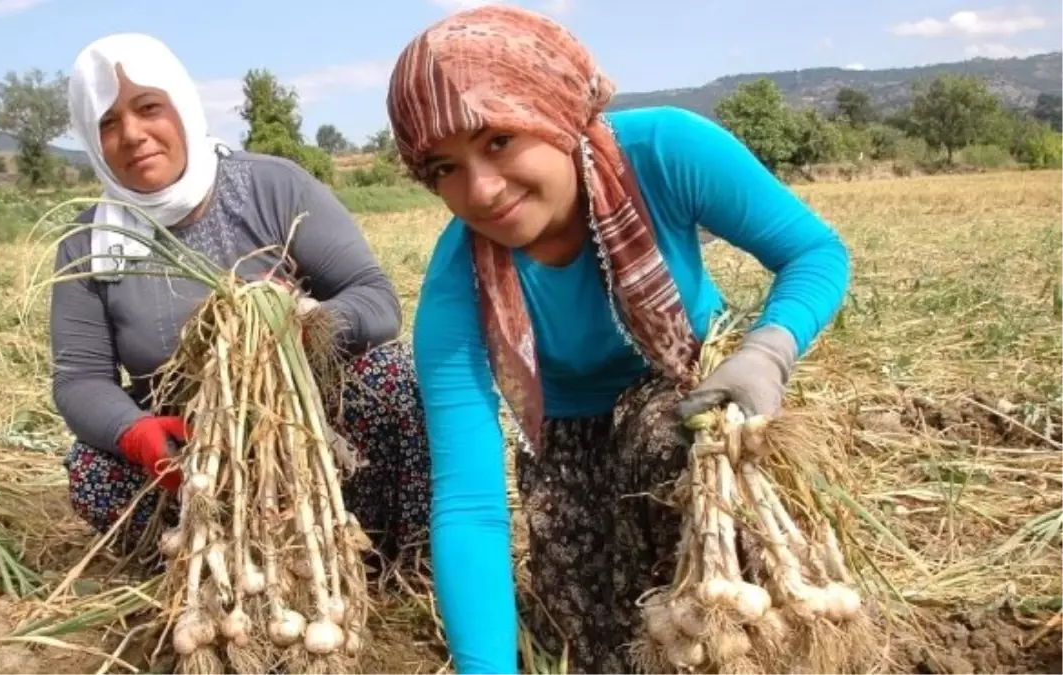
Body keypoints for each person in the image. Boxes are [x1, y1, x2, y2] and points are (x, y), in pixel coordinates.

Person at [385, 6, 851, 674]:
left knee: (669, 451)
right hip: (566, 433)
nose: (480, 191)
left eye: (496, 140)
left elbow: (812, 251)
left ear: (554, 110)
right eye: (441, 168)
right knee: (604, 641)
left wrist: (768, 350)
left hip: (692, 387)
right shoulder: (457, 282)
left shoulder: (665, 151)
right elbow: (470, 503)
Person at [51, 32, 430, 567]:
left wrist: (306, 324)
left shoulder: (270, 187)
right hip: (192, 459)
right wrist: (135, 433)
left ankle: (392, 558)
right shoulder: (87, 241)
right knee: (91, 469)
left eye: (148, 107)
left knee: (398, 374)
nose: (132, 134)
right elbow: (79, 379)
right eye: (107, 123)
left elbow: (376, 299)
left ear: (181, 106)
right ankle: (214, 567)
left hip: (307, 431)